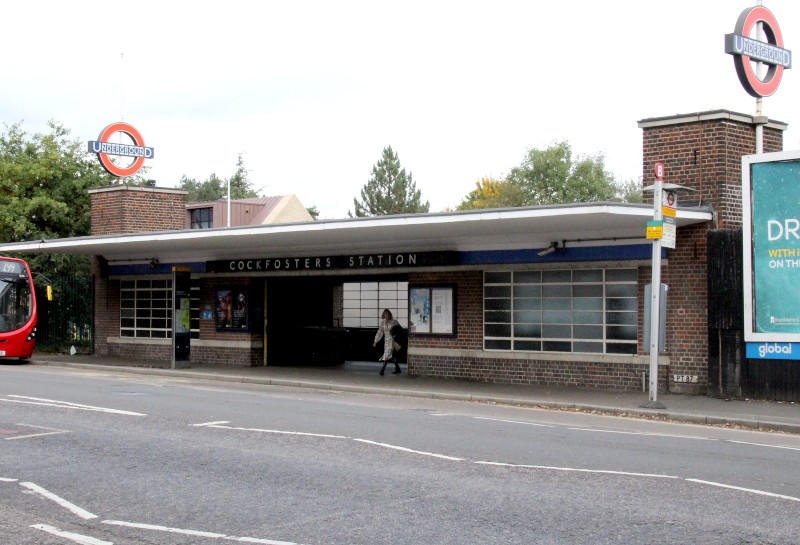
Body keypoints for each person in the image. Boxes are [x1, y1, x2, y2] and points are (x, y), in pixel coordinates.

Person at [373, 309, 401, 375]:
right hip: (386, 340)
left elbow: (399, 329)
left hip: (392, 340)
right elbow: (380, 331)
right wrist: (375, 341)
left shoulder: (394, 322)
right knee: (391, 355)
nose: (386, 315)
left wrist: (396, 336)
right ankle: (398, 368)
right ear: (383, 315)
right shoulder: (383, 322)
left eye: (388, 314)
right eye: (385, 314)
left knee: (387, 353)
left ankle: (382, 370)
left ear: (390, 315)